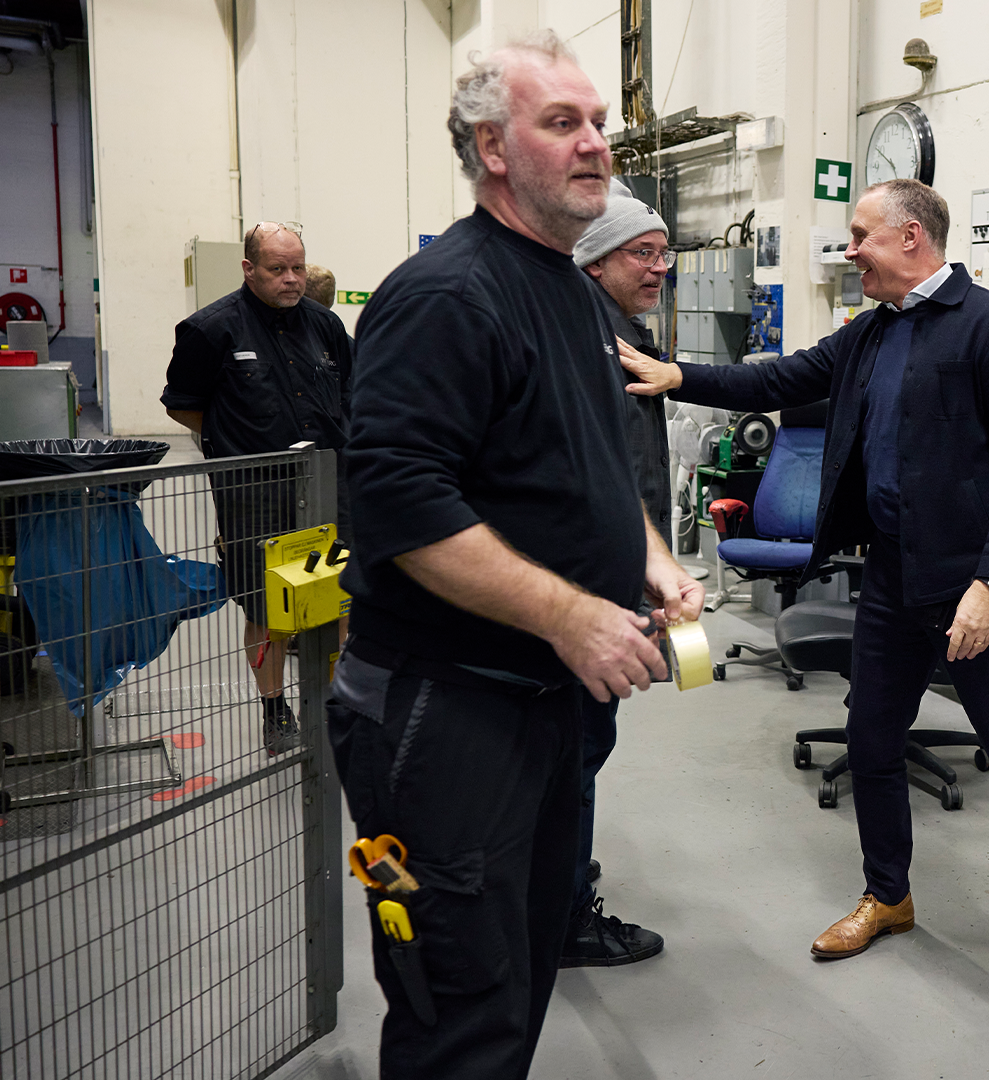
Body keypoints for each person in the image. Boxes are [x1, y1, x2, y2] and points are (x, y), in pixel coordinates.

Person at [621, 178, 989, 1024]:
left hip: (967, 589)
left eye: (861, 235)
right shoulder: (871, 331)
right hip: (891, 579)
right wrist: (677, 374)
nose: (850, 251)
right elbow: (779, 377)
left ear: (911, 237)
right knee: (873, 745)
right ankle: (889, 896)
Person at [329, 33, 670, 1078]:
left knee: (518, 978)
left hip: (541, 703)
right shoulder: (447, 295)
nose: (596, 143)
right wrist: (571, 614)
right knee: (459, 1008)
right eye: (562, 123)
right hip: (442, 714)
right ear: (491, 147)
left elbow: (590, 464)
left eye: (599, 122)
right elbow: (399, 504)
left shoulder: (571, 293)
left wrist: (650, 560)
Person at [560, 179, 702, 968]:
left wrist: (654, 563)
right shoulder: (593, 345)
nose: (659, 268)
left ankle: (555, 894)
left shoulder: (617, 336)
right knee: (577, 750)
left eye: (663, 253)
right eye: (642, 253)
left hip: (613, 576)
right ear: (596, 260)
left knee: (579, 747)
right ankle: (565, 919)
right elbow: (596, 481)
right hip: (589, 592)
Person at [160, 221, 353, 754]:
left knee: (336, 599)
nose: (291, 279)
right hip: (256, 496)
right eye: (277, 269)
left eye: (298, 268)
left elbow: (349, 393)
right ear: (249, 268)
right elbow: (182, 404)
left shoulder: (325, 325)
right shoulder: (211, 329)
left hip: (328, 488)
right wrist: (234, 439)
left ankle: (331, 703)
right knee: (267, 609)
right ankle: (275, 709)